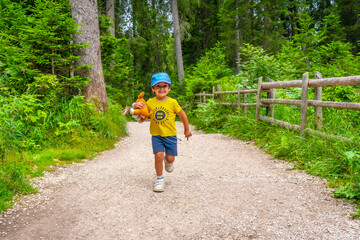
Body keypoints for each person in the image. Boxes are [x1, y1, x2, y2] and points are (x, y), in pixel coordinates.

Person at [133, 72, 192, 192]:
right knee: (158, 155)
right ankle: (159, 179)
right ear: (153, 89)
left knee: (170, 159)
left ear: (169, 88)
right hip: (157, 135)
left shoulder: (173, 102)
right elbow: (141, 110)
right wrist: (135, 105)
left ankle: (168, 160)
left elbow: (183, 115)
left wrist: (187, 130)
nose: (161, 89)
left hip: (170, 136)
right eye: (158, 86)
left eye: (164, 86)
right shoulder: (150, 102)